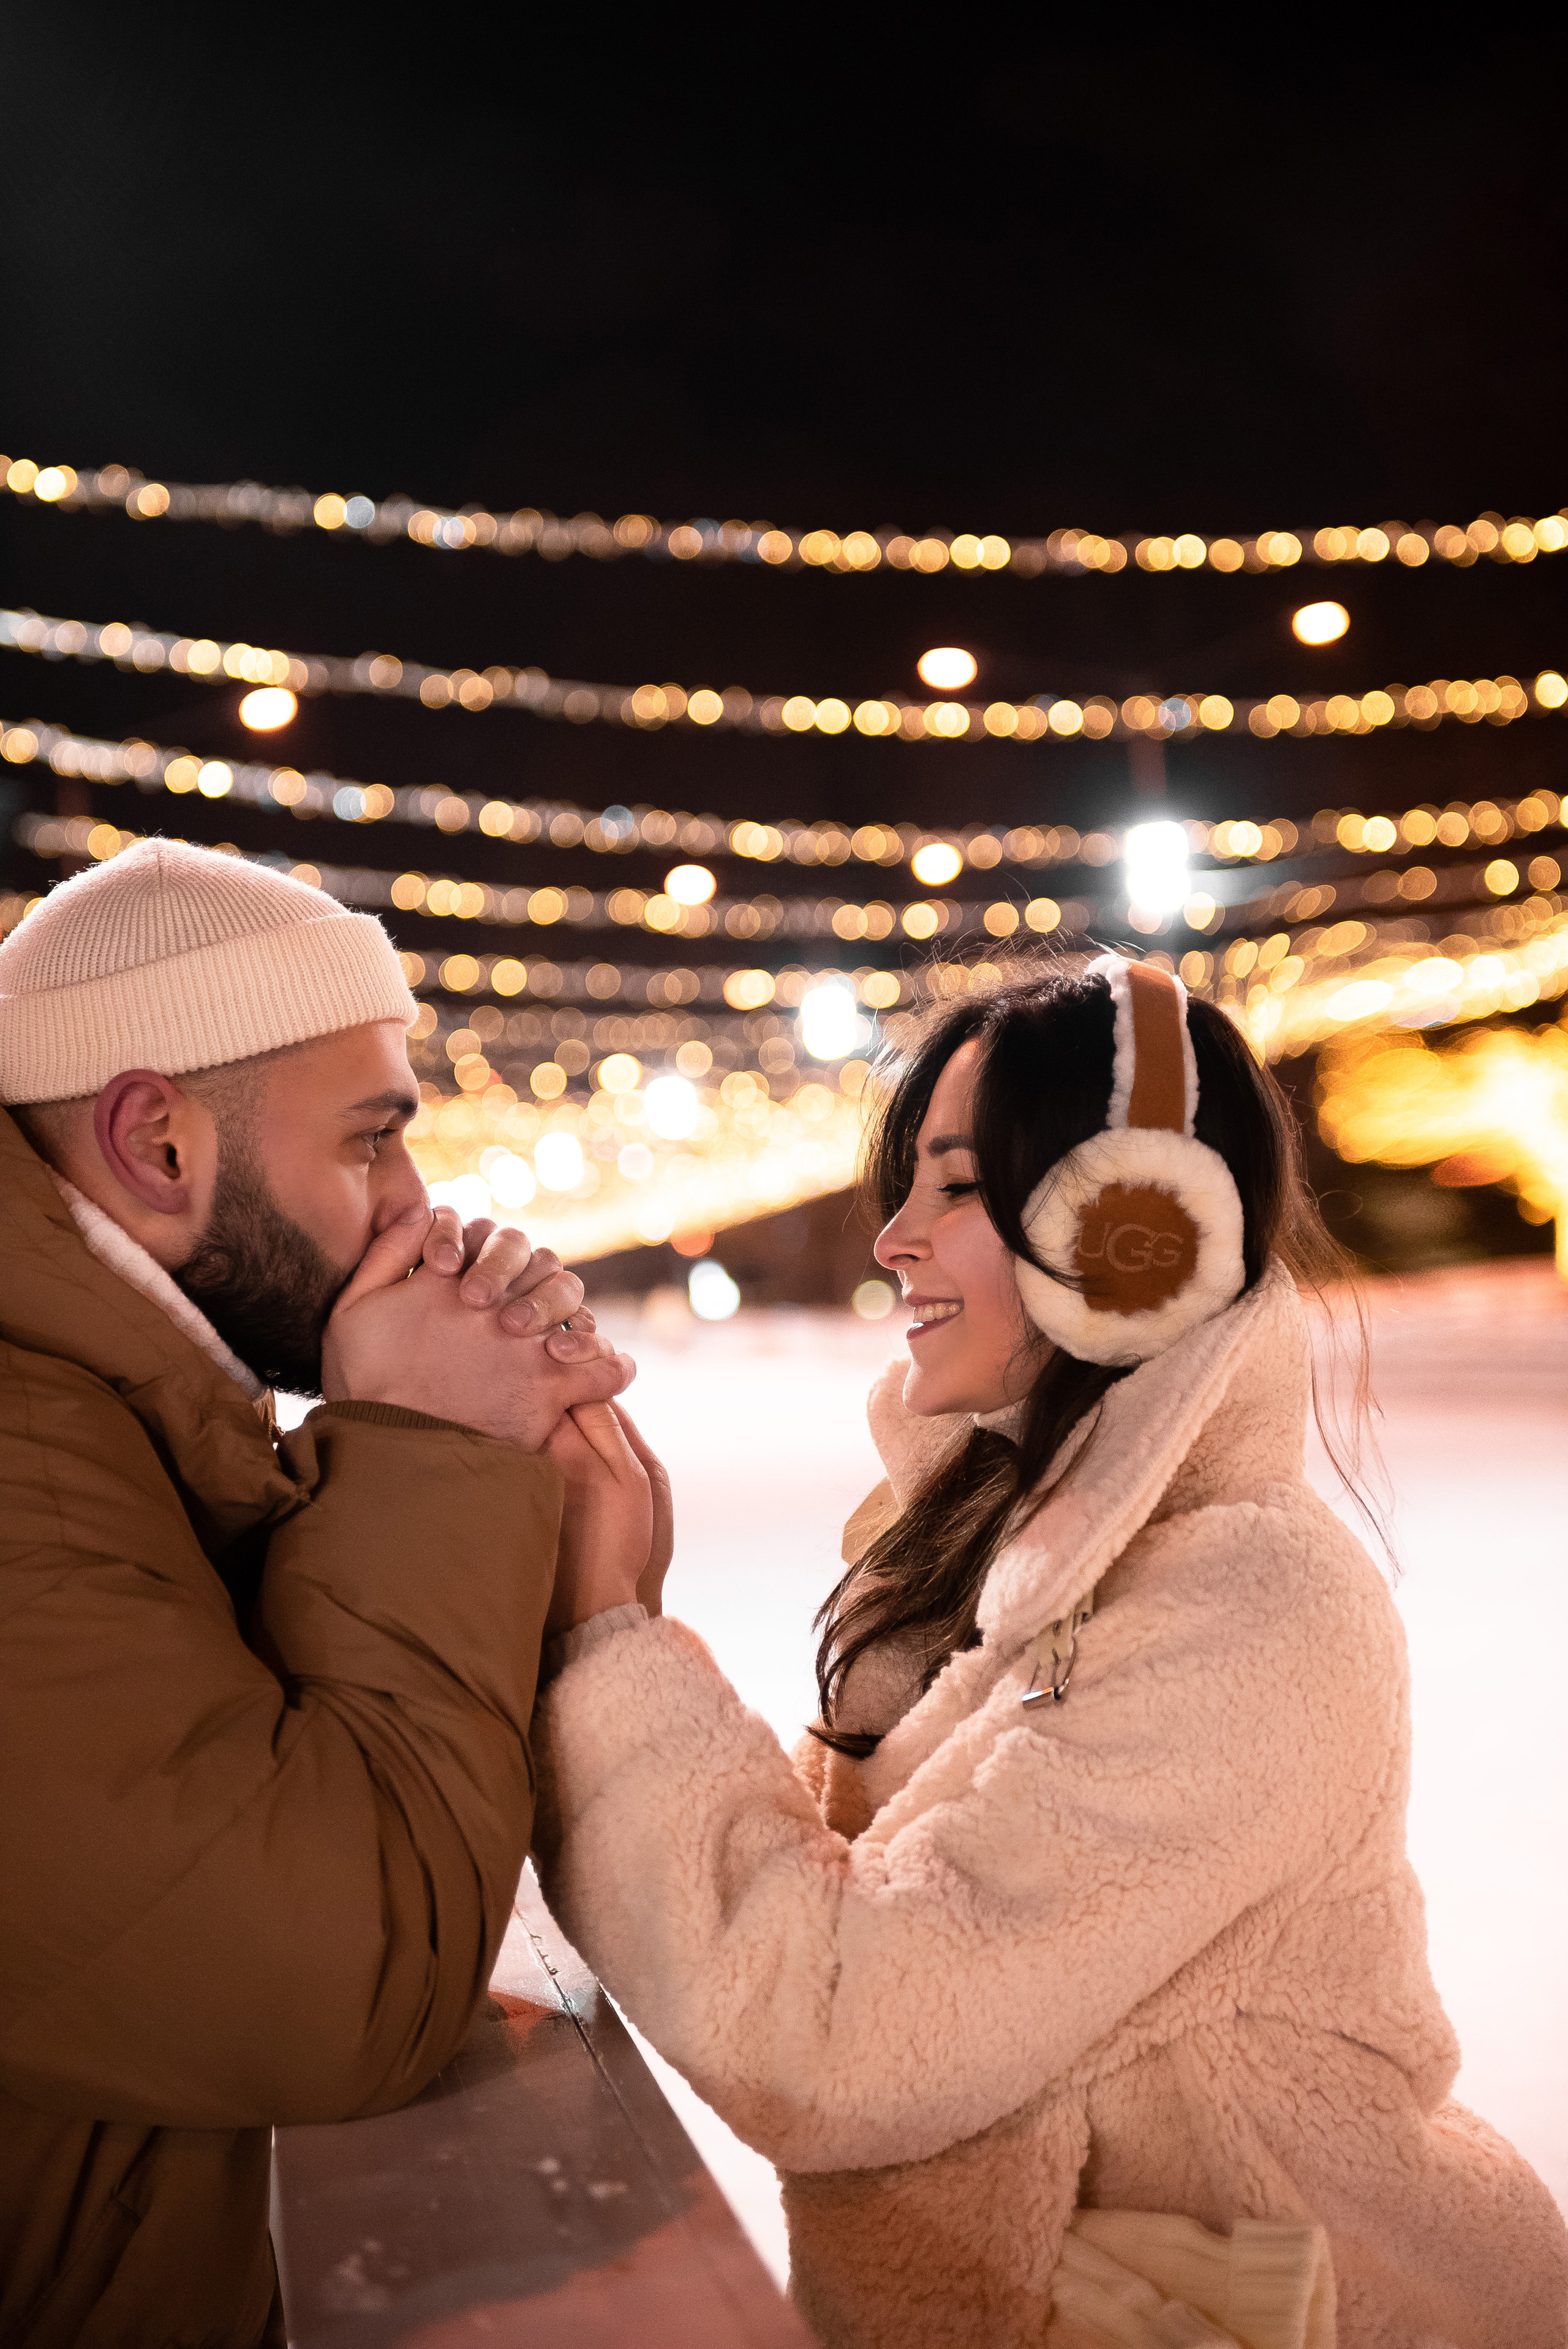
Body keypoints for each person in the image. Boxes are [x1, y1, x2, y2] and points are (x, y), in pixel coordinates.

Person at [532, 955, 1568, 2349]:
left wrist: (614, 1642)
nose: (893, 1238)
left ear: (1131, 1231)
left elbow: (839, 2031)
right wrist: (624, 1615)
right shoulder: (984, 1561)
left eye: (955, 1186)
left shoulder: (1250, 1606)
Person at [0, 839, 632, 2349]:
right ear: (158, 1143)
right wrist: (426, 1454)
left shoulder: (122, 1425)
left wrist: (546, 1556)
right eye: (367, 1144)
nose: (414, 1207)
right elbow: (342, 1981)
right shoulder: (28, 1445)